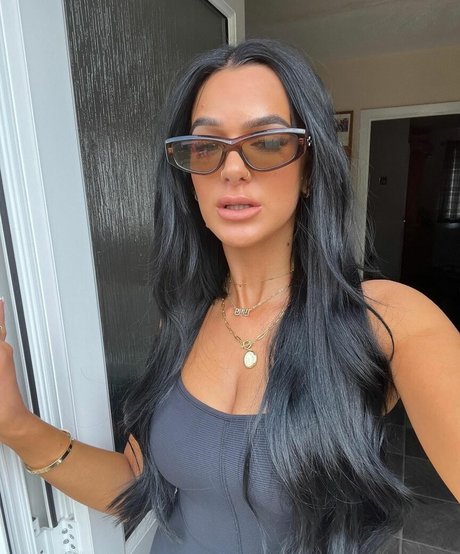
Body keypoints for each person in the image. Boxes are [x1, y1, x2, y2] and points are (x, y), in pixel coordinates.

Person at [0, 38, 459, 554]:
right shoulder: (182, 320)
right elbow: (138, 488)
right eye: (206, 147)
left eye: (268, 141)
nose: (232, 168)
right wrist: (15, 425)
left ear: (309, 170)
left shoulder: (385, 320)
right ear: (189, 178)